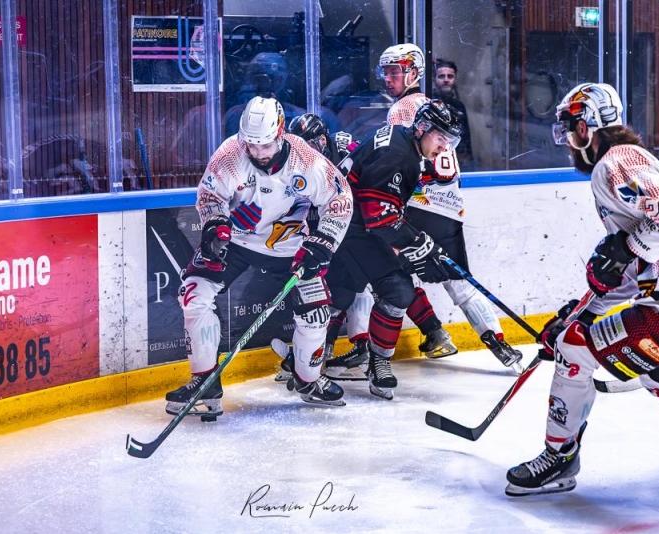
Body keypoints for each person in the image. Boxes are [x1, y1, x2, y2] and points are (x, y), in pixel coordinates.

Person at [505, 82, 659, 497]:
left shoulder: (617, 161)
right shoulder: (618, 165)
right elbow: (630, 269)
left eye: (570, 128)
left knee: (575, 347)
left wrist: (623, 248)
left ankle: (559, 458)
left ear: (587, 125)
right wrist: (583, 311)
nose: (568, 141)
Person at [166, 96, 354, 418]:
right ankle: (204, 383)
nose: (258, 153)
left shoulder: (307, 161)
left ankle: (308, 381)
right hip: (237, 242)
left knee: (316, 313)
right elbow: (210, 195)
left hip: (290, 246)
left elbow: (339, 198)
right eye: (251, 146)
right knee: (193, 293)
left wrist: (323, 244)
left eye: (264, 146)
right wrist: (214, 225)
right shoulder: (229, 154)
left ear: (280, 135)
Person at [379, 45, 523, 371]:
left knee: (383, 271)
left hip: (418, 206)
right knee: (460, 284)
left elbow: (402, 163)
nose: (388, 78)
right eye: (385, 71)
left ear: (413, 73)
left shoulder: (403, 109)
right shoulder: (435, 105)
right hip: (450, 208)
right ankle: (499, 344)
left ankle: (372, 348)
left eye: (395, 71)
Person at [322, 102, 461, 400]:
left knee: (342, 291)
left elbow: (385, 210)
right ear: (422, 128)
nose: (444, 148)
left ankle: (308, 360)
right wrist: (418, 243)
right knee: (397, 290)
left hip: (340, 222)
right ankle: (378, 362)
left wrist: (414, 241)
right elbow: (379, 217)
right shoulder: (399, 155)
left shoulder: (401, 139)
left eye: (449, 142)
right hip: (350, 227)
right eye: (441, 139)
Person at [275, 113, 375, 381]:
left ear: (321, 139)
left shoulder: (346, 148)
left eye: (308, 144)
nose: (301, 152)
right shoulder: (292, 159)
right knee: (327, 292)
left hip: (354, 228)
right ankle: (318, 353)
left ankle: (363, 350)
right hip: (321, 232)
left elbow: (374, 175)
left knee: (357, 286)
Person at [431, 59, 474, 170]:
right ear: (434, 79)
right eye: (441, 76)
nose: (446, 80)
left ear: (455, 79)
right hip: (434, 161)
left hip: (459, 162)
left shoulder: (459, 105)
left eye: (450, 76)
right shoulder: (428, 103)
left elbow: (466, 139)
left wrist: (468, 163)